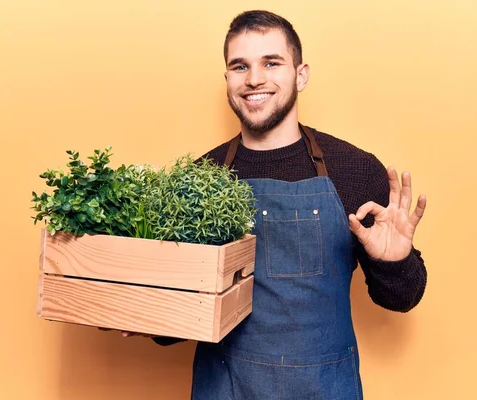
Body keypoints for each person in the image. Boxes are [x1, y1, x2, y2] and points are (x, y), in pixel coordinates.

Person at [126, 9, 428, 399]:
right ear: (227, 79)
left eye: (272, 63)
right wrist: (147, 311)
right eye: (240, 66)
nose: (254, 79)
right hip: (225, 389)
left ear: (300, 74)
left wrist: (393, 261)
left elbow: (404, 298)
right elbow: (180, 323)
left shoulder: (354, 170)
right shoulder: (202, 178)